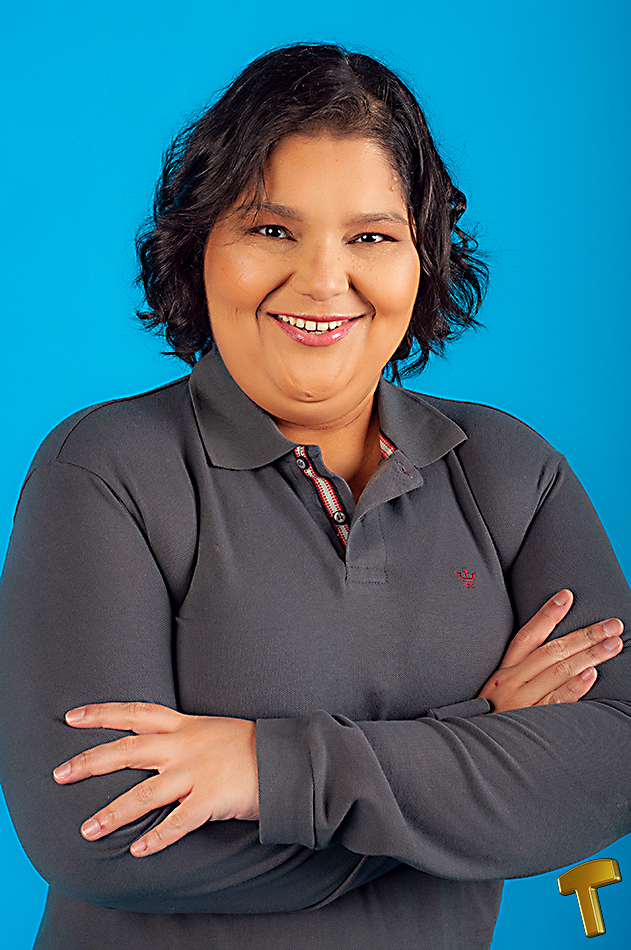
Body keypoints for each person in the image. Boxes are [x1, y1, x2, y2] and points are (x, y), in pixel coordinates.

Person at [0, 43, 629, 950]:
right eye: (271, 230)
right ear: (198, 245)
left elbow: (614, 760)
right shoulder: (105, 470)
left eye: (370, 237)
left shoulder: (509, 472)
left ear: (423, 257)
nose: (324, 281)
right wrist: (482, 748)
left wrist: (270, 771)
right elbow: (99, 838)